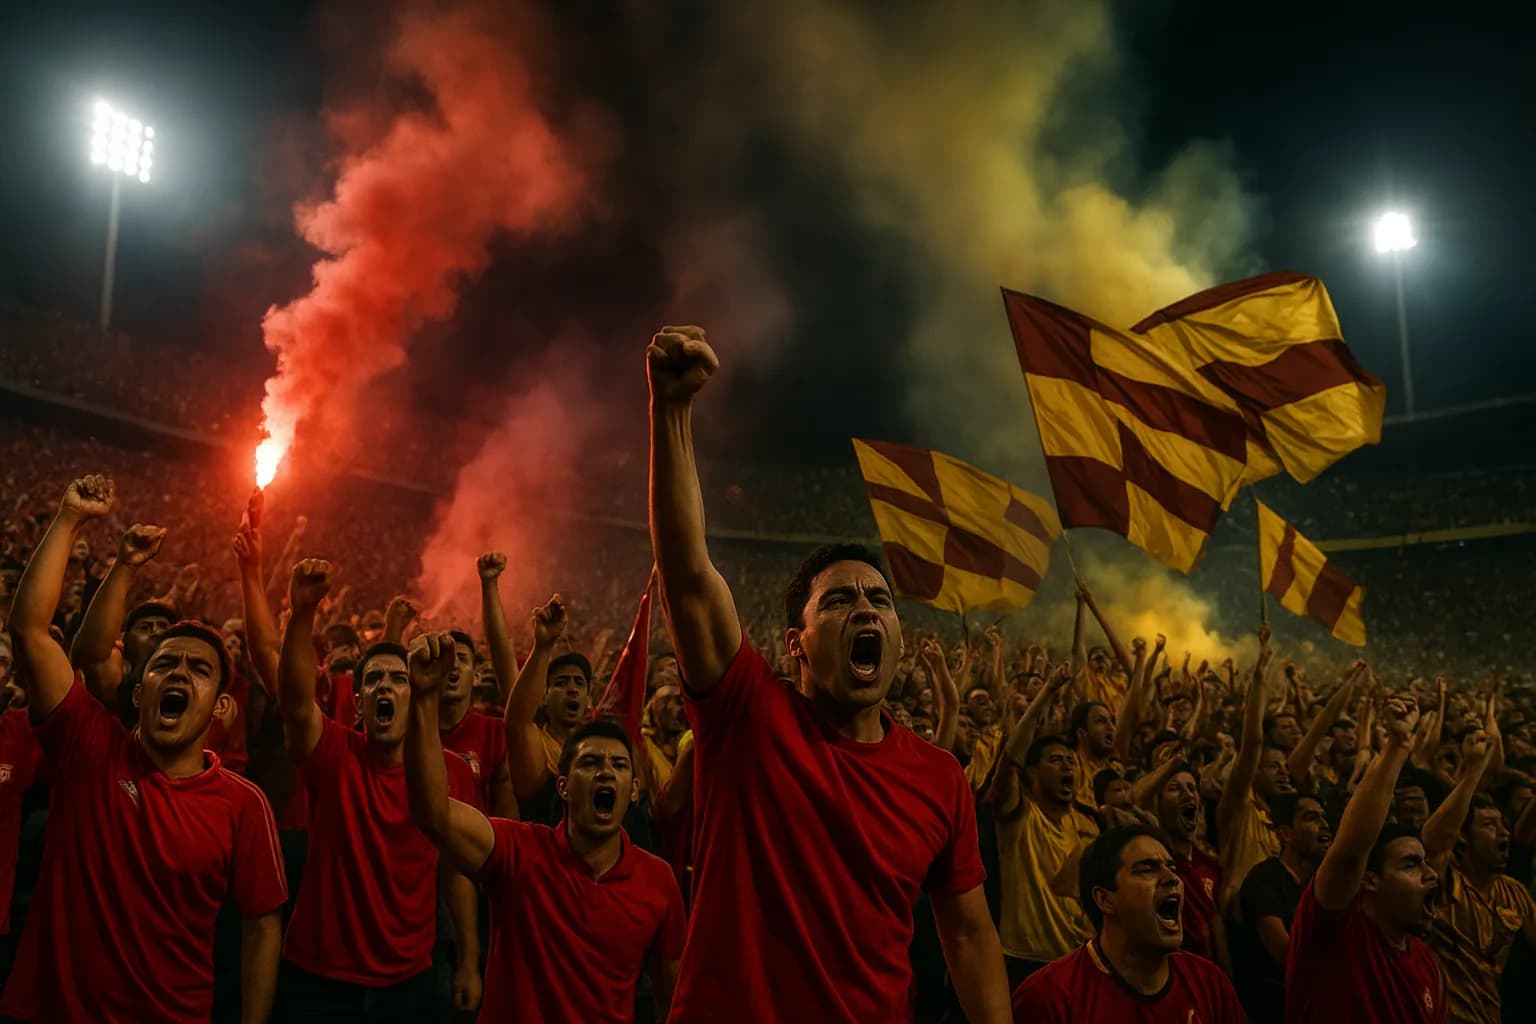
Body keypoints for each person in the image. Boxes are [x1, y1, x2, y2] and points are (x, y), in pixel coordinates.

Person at [646, 325, 1010, 1022]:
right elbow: (689, 577)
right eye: (839, 600)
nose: (865, 610)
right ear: (796, 644)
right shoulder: (746, 714)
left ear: (898, 636)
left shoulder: (939, 779)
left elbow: (967, 932)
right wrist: (672, 410)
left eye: (879, 600)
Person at [0, 476, 286, 1024]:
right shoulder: (88, 742)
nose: (179, 670)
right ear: (139, 690)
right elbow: (31, 630)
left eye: (199, 668)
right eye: (164, 663)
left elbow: (262, 925)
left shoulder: (244, 805)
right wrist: (69, 520)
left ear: (217, 706)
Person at [402, 631, 686, 1022]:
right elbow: (433, 813)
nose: (605, 772)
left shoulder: (659, 883)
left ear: (633, 791)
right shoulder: (518, 851)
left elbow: (671, 1000)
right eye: (590, 764)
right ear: (564, 787)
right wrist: (423, 700)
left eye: (619, 766)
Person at [274, 559, 481, 1023]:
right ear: (361, 703)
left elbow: (456, 872)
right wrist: (302, 613)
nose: (385, 685)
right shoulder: (333, 752)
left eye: (398, 678)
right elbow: (294, 702)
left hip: (410, 982)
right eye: (374, 679)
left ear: (416, 694)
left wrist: (468, 962)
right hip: (319, 981)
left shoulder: (449, 773)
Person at [1284, 694, 1446, 1024]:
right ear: (1369, 879)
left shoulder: (1429, 964)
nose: (1431, 874)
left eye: (1425, 862)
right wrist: (1397, 747)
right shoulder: (1332, 933)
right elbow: (1350, 850)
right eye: (1411, 864)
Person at [1011, 825, 1245, 1022]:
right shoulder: (1048, 998)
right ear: (1105, 899)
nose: (1172, 878)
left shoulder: (1210, 982)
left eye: (1172, 867)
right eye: (1147, 869)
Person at [1420, 728, 1536, 1023]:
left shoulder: (1514, 892)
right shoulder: (1444, 885)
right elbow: (1434, 841)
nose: (1503, 832)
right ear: (1463, 837)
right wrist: (1474, 770)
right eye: (1488, 825)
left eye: (1503, 825)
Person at [1228, 792, 1332, 1023]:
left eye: (1323, 818)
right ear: (1285, 834)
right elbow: (1285, 955)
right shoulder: (1264, 879)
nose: (1324, 825)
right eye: (1311, 818)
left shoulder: (1318, 885)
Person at [1217, 623, 1287, 907]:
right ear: (1253, 772)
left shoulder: (1283, 820)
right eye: (1273, 767)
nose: (1284, 772)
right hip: (1240, 917)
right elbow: (1254, 742)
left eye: (1284, 767)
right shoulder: (1239, 807)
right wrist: (1260, 673)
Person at [1146, 762, 1226, 967]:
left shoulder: (1210, 865)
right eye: (1174, 788)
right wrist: (1170, 765)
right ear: (1158, 804)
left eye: (1192, 788)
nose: (1187, 794)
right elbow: (1132, 800)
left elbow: (1217, 931)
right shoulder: (1153, 864)